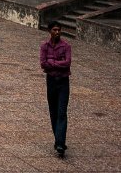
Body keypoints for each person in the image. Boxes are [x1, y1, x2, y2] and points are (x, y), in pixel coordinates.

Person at [40, 20, 71, 158]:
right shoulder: (44, 46)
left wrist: (52, 63)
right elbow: (43, 63)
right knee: (53, 111)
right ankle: (58, 139)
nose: (57, 32)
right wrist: (57, 63)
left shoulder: (66, 46)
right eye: (54, 30)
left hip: (63, 82)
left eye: (59, 30)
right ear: (49, 31)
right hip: (51, 81)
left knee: (62, 111)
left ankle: (60, 143)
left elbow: (67, 63)